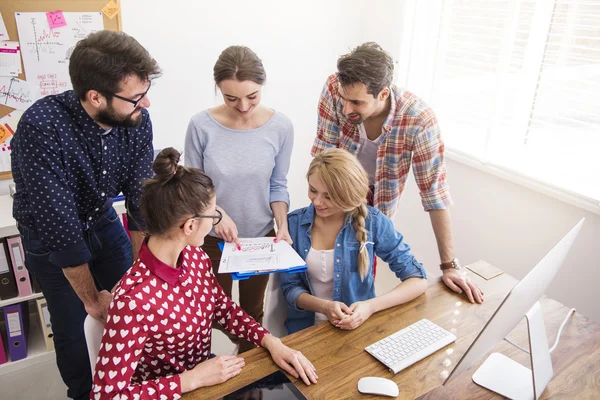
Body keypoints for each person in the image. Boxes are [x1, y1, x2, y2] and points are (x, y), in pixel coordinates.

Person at [92, 148, 317, 399]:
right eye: (213, 215)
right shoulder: (132, 301)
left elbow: (223, 308)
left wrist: (270, 341)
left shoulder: (195, 257)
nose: (214, 222)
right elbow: (106, 395)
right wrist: (190, 380)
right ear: (189, 226)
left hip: (207, 383)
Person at [11, 30, 160, 400]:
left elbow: (140, 200)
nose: (147, 103)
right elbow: (59, 229)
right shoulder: (41, 127)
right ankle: (84, 393)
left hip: (102, 220)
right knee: (76, 329)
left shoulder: (136, 120)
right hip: (50, 239)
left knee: (131, 311)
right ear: (96, 97)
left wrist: (141, 271)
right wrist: (92, 299)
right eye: (136, 96)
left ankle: (133, 387)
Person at [312, 42, 484, 304]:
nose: (346, 109)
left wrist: (449, 265)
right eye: (344, 99)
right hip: (334, 185)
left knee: (359, 277)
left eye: (357, 102)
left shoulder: (419, 120)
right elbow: (324, 156)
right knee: (320, 268)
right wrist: (322, 199)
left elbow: (434, 193)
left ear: (383, 93)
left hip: (377, 201)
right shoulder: (335, 87)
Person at [185, 46, 293, 353]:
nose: (243, 106)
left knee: (251, 316)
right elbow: (194, 186)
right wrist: (217, 213)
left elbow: (278, 185)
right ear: (218, 89)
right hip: (209, 238)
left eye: (252, 96)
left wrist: (282, 226)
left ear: (263, 85)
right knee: (210, 314)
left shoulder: (281, 127)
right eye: (231, 98)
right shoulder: (200, 126)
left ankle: (248, 384)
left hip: (259, 237)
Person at [280, 149, 428, 334]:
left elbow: (417, 280)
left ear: (348, 194)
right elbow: (290, 289)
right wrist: (324, 307)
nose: (317, 202)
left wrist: (370, 307)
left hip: (357, 330)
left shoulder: (373, 222)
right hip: (305, 331)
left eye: (328, 196)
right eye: (313, 190)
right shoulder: (294, 224)